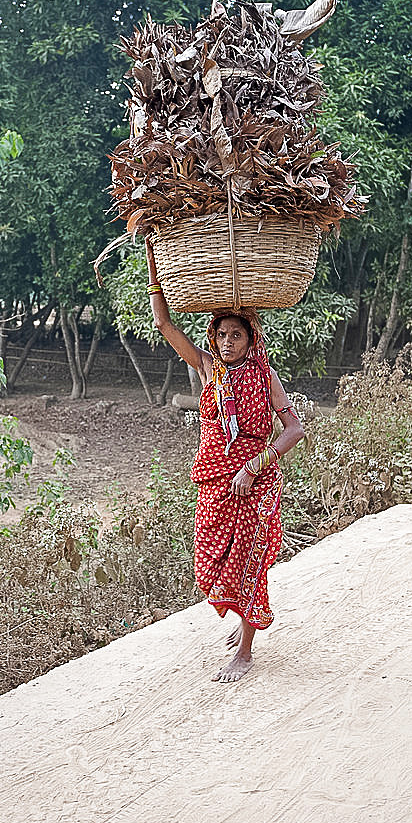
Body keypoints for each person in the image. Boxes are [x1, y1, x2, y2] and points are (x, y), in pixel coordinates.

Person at [146, 242, 305, 682]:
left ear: (251, 338)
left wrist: (254, 466)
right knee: (211, 560)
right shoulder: (207, 369)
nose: (228, 342)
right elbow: (163, 323)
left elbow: (294, 429)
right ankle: (241, 621)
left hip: (255, 483)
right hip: (215, 482)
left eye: (237, 335)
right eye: (222, 335)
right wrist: (152, 257)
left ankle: (247, 651)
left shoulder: (265, 376)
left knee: (250, 558)